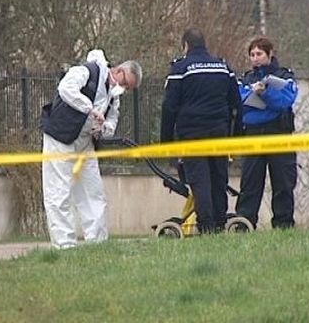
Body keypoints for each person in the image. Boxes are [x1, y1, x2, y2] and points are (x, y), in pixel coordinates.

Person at [39, 49, 142, 249]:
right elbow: (66, 89)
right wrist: (90, 109)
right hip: (60, 137)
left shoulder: (114, 97)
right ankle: (64, 246)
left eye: (127, 88)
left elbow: (112, 121)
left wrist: (102, 129)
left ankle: (98, 244)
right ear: (118, 70)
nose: (123, 88)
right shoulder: (87, 72)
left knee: (94, 193)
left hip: (85, 144)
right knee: (58, 193)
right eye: (124, 83)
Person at [160, 28, 242, 234]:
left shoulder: (180, 69)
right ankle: (220, 223)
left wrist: (166, 141)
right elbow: (236, 103)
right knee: (218, 178)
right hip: (219, 132)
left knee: (200, 180)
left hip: (192, 134)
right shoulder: (223, 67)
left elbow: (169, 107)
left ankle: (206, 226)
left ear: (186, 45)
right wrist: (237, 136)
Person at [234, 37, 298, 229]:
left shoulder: (284, 76)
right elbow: (242, 103)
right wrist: (266, 103)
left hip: (279, 135)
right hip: (253, 135)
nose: (255, 58)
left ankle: (283, 224)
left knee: (283, 183)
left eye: (259, 54)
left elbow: (284, 101)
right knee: (250, 184)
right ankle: (244, 223)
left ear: (270, 54)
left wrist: (265, 94)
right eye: (252, 55)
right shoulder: (246, 79)